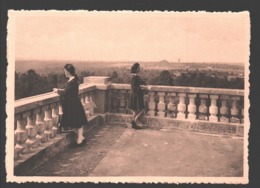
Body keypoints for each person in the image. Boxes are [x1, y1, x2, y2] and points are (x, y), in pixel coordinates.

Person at [53, 64, 88, 147]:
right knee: (77, 122)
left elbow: (66, 93)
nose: (64, 73)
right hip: (75, 103)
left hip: (74, 104)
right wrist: (60, 90)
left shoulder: (72, 81)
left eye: (65, 71)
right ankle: (81, 138)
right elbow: (68, 91)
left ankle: (80, 141)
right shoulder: (73, 80)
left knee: (78, 122)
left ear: (68, 72)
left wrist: (58, 91)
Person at [128, 62, 146, 129]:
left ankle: (134, 124)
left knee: (135, 110)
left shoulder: (136, 76)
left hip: (136, 95)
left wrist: (143, 84)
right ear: (136, 69)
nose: (140, 69)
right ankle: (135, 121)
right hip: (136, 95)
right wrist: (141, 88)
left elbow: (141, 82)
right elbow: (133, 87)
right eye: (138, 68)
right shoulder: (134, 77)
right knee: (142, 109)